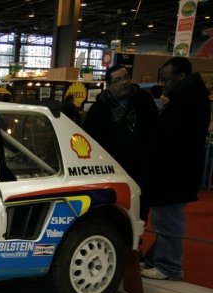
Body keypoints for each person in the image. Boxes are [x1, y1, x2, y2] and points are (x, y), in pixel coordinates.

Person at [141, 57, 211, 281]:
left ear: (180, 76)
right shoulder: (189, 97)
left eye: (167, 79)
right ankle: (157, 260)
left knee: (168, 220)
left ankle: (169, 266)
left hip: (173, 173)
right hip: (175, 172)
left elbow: (173, 140)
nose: (164, 84)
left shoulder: (187, 100)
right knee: (165, 220)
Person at [83, 64, 158, 221]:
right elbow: (91, 140)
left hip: (141, 168)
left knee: (139, 210)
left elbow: (155, 130)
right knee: (113, 211)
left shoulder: (144, 101)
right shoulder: (99, 109)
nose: (124, 82)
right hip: (112, 170)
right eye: (118, 80)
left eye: (126, 77)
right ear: (109, 86)